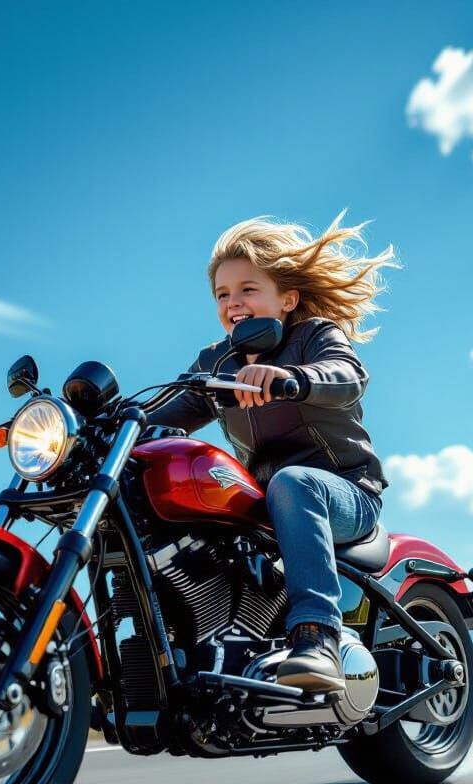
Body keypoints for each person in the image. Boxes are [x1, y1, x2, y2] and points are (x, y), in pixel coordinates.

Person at [149, 213, 394, 692]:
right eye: (222, 294)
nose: (233, 302)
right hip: (269, 503)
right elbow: (164, 410)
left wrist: (293, 379)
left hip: (344, 492)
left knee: (293, 479)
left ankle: (318, 635)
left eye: (247, 289)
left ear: (288, 298)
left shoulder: (314, 336)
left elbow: (347, 376)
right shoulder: (216, 363)